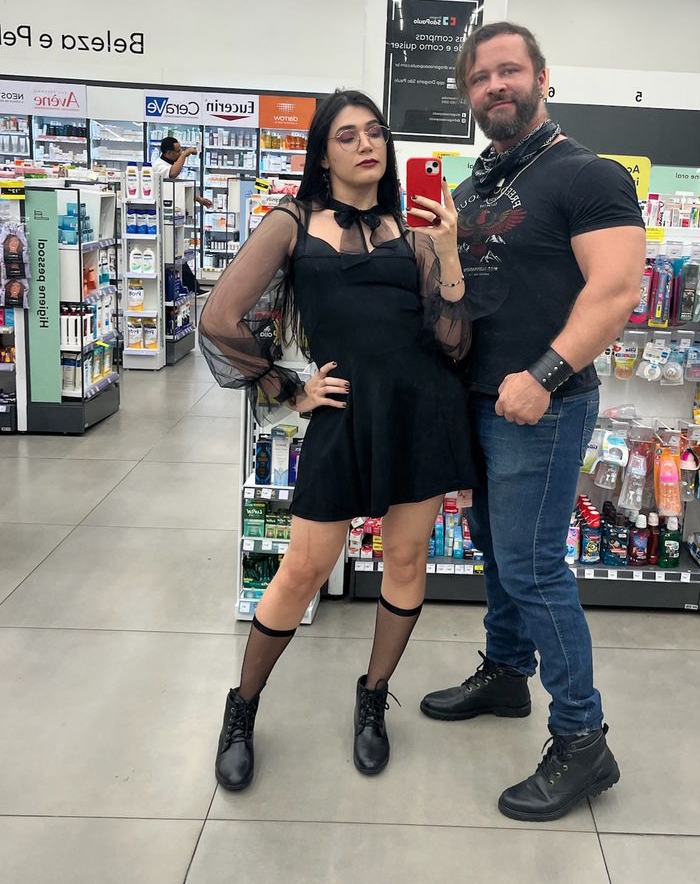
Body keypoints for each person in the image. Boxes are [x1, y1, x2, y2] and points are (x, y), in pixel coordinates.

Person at [198, 89, 477, 791]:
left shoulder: (414, 231)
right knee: (303, 569)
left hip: (420, 411)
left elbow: (454, 343)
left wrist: (448, 254)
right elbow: (220, 318)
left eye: (374, 132)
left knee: (406, 560)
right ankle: (242, 708)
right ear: (322, 154)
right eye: (347, 135)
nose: (365, 144)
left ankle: (374, 696)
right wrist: (288, 387)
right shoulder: (290, 222)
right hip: (345, 411)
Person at [419, 22, 646, 823]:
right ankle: (508, 673)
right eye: (480, 78)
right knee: (495, 548)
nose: (495, 86)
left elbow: (616, 290)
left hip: (543, 405)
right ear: (469, 95)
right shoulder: (475, 183)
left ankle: (583, 740)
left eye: (509, 70)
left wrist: (544, 376)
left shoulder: (589, 174)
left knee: (534, 568)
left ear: (542, 77)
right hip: (479, 400)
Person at [153, 136, 213, 294]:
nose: (180, 153)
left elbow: (180, 186)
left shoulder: (170, 163)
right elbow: (173, 174)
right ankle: (191, 287)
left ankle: (191, 286)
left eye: (181, 150)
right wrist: (185, 154)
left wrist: (199, 199)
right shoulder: (159, 166)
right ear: (168, 153)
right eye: (177, 151)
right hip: (162, 219)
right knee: (174, 253)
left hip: (173, 217)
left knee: (177, 253)